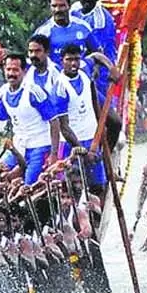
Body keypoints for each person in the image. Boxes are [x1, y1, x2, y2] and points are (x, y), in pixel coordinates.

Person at [0, 52, 65, 184]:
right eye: (8, 69)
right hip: (19, 146)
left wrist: (54, 154)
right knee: (1, 173)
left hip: (40, 146)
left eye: (15, 70)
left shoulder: (34, 91)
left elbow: (54, 122)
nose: (11, 74)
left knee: (30, 184)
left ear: (24, 71)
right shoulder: (2, 92)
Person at [33, 0, 111, 82]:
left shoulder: (83, 27)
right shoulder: (44, 32)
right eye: (54, 6)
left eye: (62, 6)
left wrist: (96, 69)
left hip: (83, 81)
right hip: (57, 82)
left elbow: (98, 51)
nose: (58, 10)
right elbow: (35, 58)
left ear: (69, 6)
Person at [57, 44, 106, 189]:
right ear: (62, 61)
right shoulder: (59, 87)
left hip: (92, 141)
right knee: (70, 187)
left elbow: (97, 56)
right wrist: (83, 153)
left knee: (98, 186)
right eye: (69, 60)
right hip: (71, 145)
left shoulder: (84, 69)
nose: (73, 64)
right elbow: (64, 128)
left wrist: (111, 68)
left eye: (76, 59)